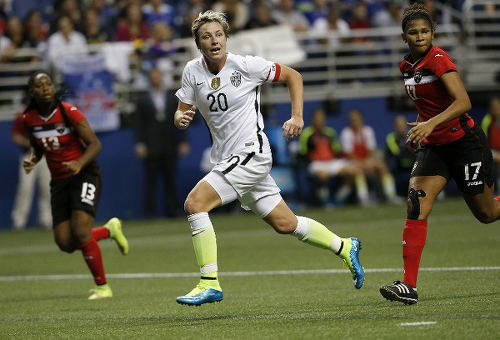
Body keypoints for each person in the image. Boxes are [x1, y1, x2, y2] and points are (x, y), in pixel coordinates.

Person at [173, 10, 364, 306]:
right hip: (227, 159)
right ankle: (344, 246)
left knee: (195, 204)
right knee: (286, 224)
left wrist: (297, 116)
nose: (214, 41)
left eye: (219, 35)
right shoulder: (192, 71)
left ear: (226, 37)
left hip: (251, 153)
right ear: (198, 43)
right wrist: (180, 119)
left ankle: (208, 282)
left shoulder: (246, 66)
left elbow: (293, 76)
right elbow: (180, 110)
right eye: (206, 36)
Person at [379, 3, 500, 305]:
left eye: (425, 31)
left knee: (487, 214)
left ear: (433, 33)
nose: (420, 36)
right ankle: (409, 285)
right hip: (435, 147)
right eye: (413, 32)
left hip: (464, 143)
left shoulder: (439, 59)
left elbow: (463, 102)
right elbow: (430, 107)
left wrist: (429, 124)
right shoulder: (406, 67)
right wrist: (420, 129)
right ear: (404, 36)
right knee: (415, 203)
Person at [21, 71, 130, 300]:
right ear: (33, 92)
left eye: (48, 83)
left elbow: (95, 144)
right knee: (65, 243)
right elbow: (40, 146)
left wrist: (79, 163)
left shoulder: (68, 111)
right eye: (40, 86)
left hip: (84, 174)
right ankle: (109, 230)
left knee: (81, 232)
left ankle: (103, 287)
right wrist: (33, 159)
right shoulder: (29, 119)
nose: (46, 88)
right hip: (59, 182)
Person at [134, 67, 189, 218]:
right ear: (149, 79)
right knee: (150, 182)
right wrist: (139, 143)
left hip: (169, 144)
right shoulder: (143, 100)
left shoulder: (172, 98)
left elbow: (180, 119)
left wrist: (183, 141)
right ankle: (150, 213)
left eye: (158, 76)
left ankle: (172, 211)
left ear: (162, 77)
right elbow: (139, 124)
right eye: (153, 76)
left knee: (170, 181)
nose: (155, 79)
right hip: (151, 146)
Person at [298, 107, 370, 206]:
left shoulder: (330, 133)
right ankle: (325, 202)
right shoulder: (306, 134)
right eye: (318, 119)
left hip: (332, 162)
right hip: (316, 164)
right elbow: (302, 153)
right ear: (313, 120)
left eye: (322, 119)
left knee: (355, 171)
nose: (320, 121)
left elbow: (337, 151)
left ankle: (343, 199)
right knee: (323, 175)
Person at [340, 109, 397, 203]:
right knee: (358, 171)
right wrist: (363, 164)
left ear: (361, 119)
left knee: (382, 166)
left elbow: (371, 151)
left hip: (366, 160)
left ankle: (391, 195)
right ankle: (364, 198)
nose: (354, 121)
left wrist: (367, 162)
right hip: (352, 162)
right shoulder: (346, 133)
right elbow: (349, 154)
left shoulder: (368, 131)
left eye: (356, 119)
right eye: (352, 119)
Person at [11, 111, 52, 230]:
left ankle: (46, 220)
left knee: (47, 188)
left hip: (45, 156)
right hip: (29, 156)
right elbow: (15, 136)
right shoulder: (22, 115)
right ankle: (19, 221)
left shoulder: (48, 114)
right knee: (25, 188)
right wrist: (29, 143)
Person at [385, 114, 416, 198]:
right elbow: (397, 154)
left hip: (414, 167)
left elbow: (416, 153)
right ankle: (392, 196)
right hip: (398, 168)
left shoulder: (412, 136)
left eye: (402, 125)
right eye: (398, 126)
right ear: (394, 126)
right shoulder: (390, 138)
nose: (401, 128)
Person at [481, 95, 500, 191]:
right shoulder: (487, 119)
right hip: (492, 150)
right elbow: (483, 140)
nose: (496, 109)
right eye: (493, 106)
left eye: (497, 106)